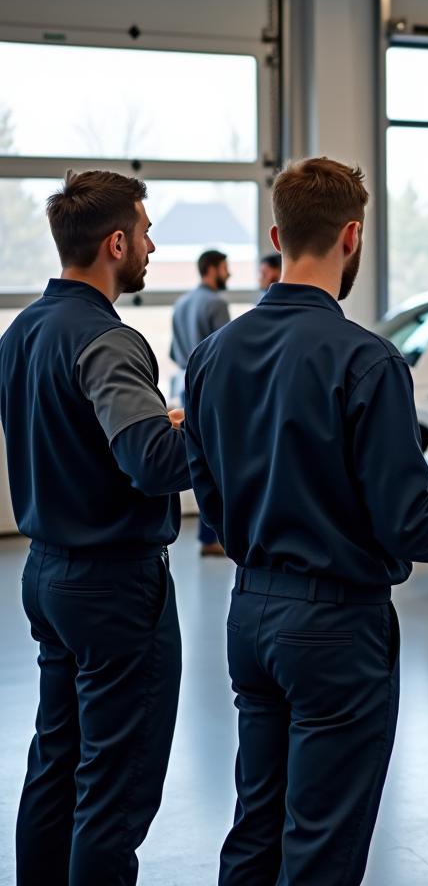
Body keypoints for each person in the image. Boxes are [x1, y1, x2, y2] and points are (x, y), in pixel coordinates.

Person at [182, 157, 428, 886]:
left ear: (279, 235)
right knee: (322, 846)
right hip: (337, 632)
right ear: (352, 237)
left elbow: (207, 495)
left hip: (249, 615)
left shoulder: (215, 355)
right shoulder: (366, 361)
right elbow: (411, 525)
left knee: (256, 825)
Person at [0, 170, 191, 886]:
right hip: (113, 588)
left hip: (46, 574)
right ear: (116, 242)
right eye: (145, 233)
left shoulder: (23, 330)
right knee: (113, 789)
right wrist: (206, 429)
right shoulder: (109, 340)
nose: (151, 245)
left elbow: (67, 433)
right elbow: (154, 463)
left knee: (56, 762)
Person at [171, 248, 231, 555]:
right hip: (212, 390)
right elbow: (224, 353)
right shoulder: (217, 304)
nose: (229, 274)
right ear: (211, 268)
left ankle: (206, 538)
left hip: (186, 388)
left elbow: (172, 352)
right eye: (224, 268)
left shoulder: (181, 303)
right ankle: (215, 536)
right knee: (219, 464)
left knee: (198, 462)